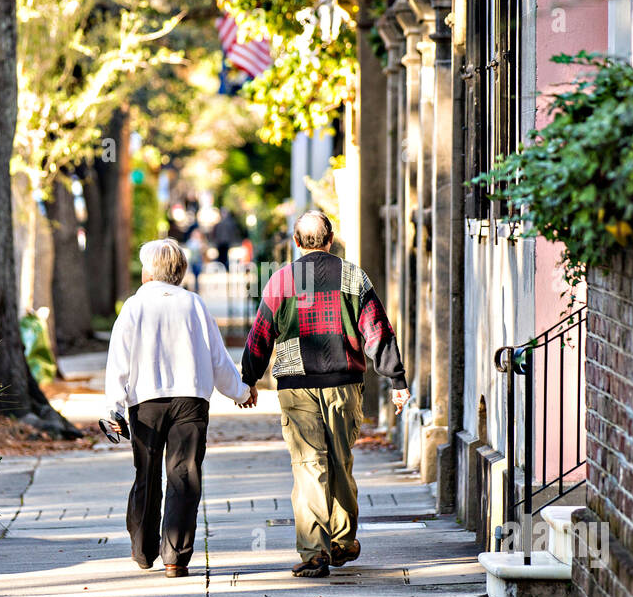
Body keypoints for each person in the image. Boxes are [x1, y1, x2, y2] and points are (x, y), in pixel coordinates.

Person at [241, 211, 410, 578]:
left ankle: (314, 550)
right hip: (344, 383)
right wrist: (397, 380)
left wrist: (248, 380)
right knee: (340, 459)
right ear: (331, 240)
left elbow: (260, 335)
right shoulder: (353, 276)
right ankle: (343, 541)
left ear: (297, 243)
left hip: (296, 385)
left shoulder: (281, 280)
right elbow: (377, 332)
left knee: (308, 467)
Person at [105, 239, 258, 578]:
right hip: (190, 399)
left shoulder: (134, 306)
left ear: (149, 271)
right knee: (184, 475)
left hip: (145, 401)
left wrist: (113, 407)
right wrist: (240, 391)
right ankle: (175, 556)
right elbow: (217, 357)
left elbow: (118, 360)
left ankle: (143, 550)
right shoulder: (195, 305)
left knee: (146, 474)